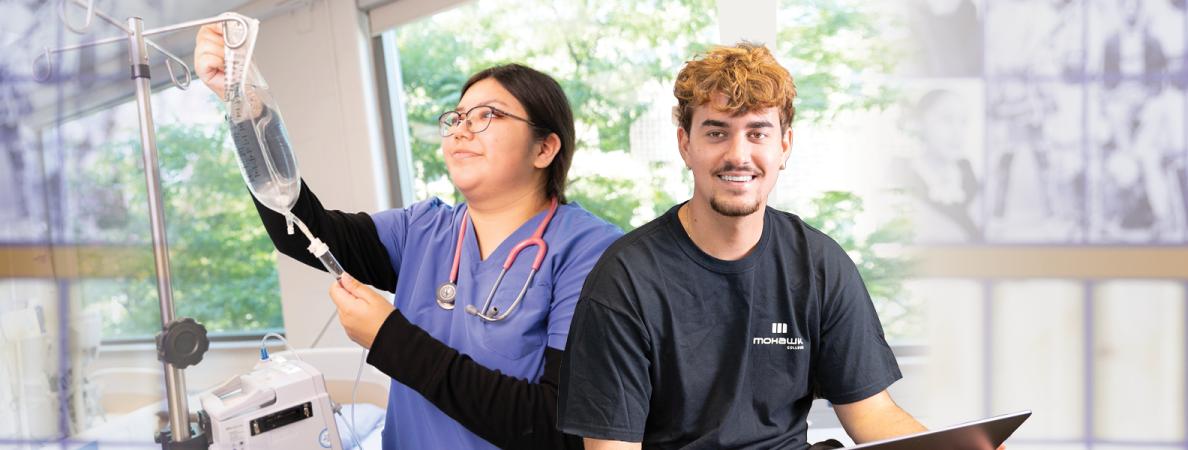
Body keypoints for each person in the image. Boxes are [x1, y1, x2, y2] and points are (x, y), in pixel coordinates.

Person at [194, 24, 621, 449]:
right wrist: (249, 109)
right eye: (456, 117)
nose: (460, 129)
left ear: (545, 149)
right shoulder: (423, 230)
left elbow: (560, 428)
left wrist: (391, 340)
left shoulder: (591, 254)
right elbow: (302, 231)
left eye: (486, 115)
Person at [557, 43, 927, 449]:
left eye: (757, 134)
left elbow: (873, 414)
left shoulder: (819, 264)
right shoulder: (626, 279)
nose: (738, 155)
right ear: (685, 145)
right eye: (717, 133)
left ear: (784, 146)